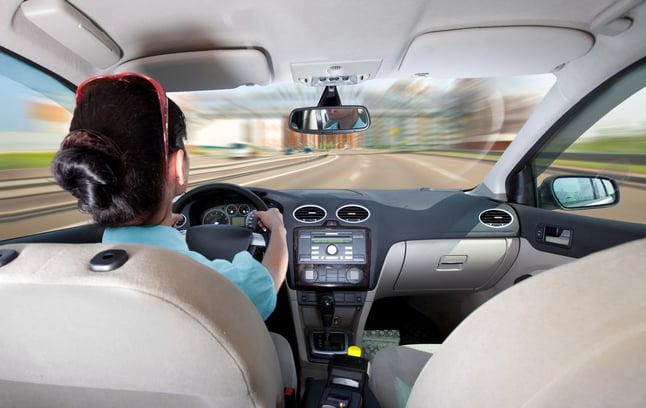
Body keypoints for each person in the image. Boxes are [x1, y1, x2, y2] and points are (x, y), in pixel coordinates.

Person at [51, 72, 287, 320]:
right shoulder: (208, 285)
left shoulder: (61, 276)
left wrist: (161, 222)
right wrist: (278, 228)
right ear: (178, 167)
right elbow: (267, 285)